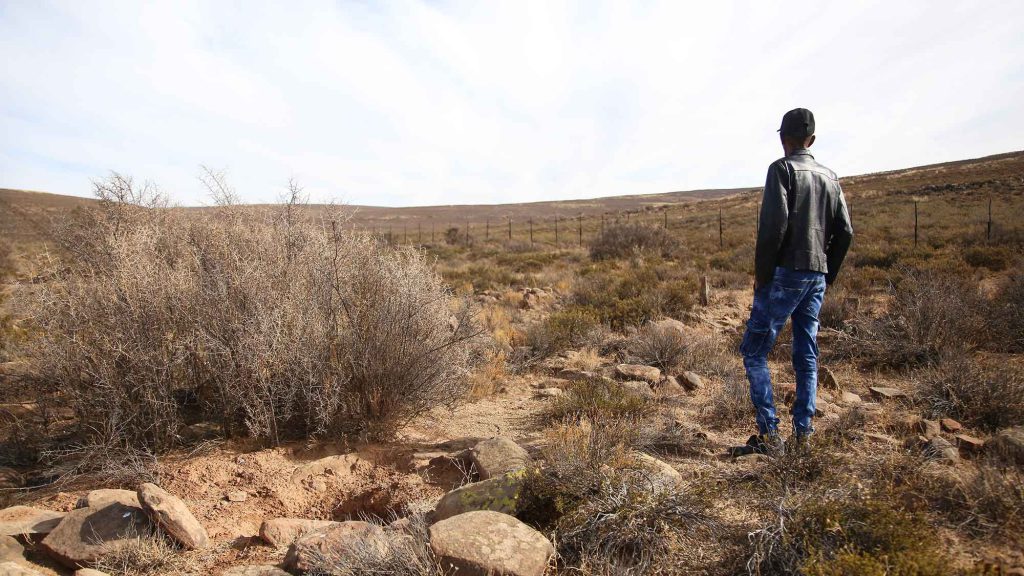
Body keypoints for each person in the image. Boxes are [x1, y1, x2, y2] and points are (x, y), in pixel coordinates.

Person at [736, 108, 854, 455]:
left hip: (784, 273)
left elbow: (774, 227)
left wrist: (762, 277)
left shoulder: (782, 169)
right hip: (816, 273)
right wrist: (826, 273)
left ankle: (771, 436)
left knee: (754, 351)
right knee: (806, 355)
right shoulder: (830, 177)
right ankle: (804, 436)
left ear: (782, 138)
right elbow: (845, 232)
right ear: (811, 140)